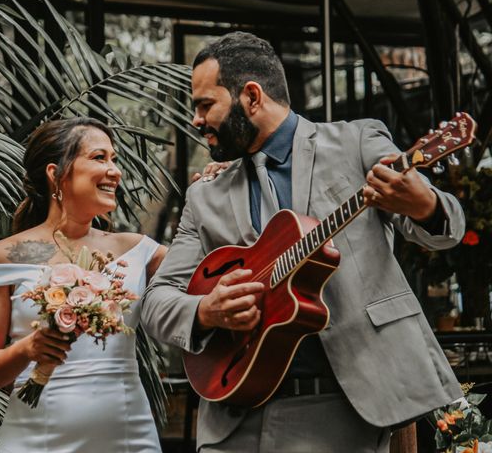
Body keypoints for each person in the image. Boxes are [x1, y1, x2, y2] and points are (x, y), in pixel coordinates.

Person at [141, 31, 466, 452]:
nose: (197, 120)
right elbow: (155, 302)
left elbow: (448, 228)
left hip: (344, 409)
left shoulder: (356, 143)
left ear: (252, 97)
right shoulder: (205, 194)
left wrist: (424, 205)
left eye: (206, 105)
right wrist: (205, 310)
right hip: (232, 417)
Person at [0, 117, 168, 453]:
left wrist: (213, 188)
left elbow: (205, 273)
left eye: (114, 159)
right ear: (55, 174)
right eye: (99, 158)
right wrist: (26, 349)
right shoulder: (5, 256)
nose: (114, 171)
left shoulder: (140, 251)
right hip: (37, 438)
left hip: (128, 435)